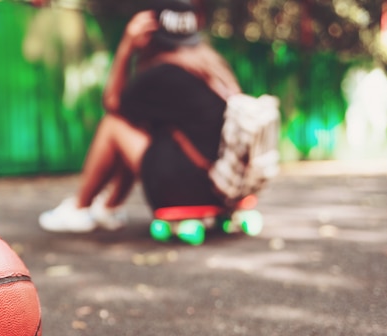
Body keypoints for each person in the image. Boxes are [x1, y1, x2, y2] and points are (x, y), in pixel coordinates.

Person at [39, 0, 242, 233]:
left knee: (114, 125)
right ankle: (109, 207)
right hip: (223, 190)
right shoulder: (213, 70)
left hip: (184, 190)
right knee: (140, 128)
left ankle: (79, 208)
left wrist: (126, 46)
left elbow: (112, 103)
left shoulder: (164, 72)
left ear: (151, 30)